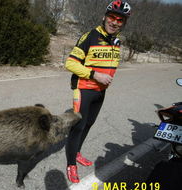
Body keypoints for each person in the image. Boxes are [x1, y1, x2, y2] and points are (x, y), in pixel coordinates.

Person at [64, 0, 132, 183]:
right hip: (84, 89)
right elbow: (70, 63)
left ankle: (76, 152)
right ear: (104, 17)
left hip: (100, 92)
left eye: (120, 20)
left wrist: (103, 79)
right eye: (112, 17)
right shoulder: (90, 36)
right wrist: (95, 75)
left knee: (88, 124)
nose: (115, 22)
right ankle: (71, 164)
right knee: (78, 127)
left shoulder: (116, 41)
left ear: (123, 23)